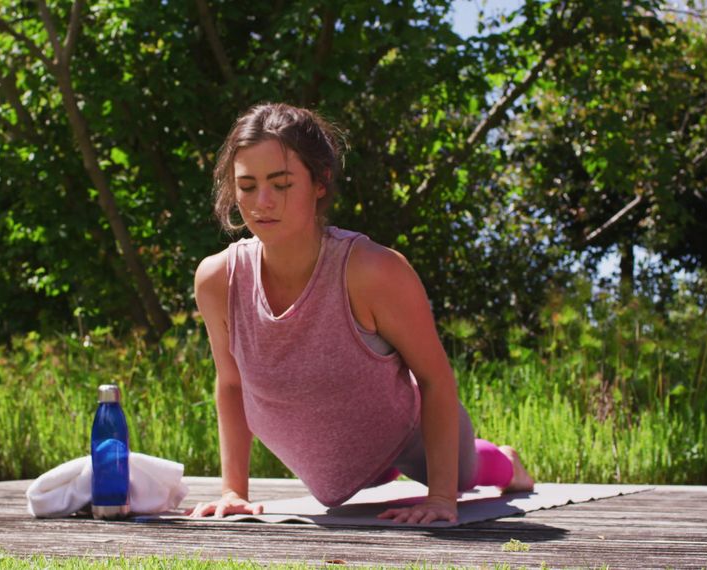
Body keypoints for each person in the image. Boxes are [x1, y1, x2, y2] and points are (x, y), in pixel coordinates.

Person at [188, 103, 534, 525]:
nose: (262, 202)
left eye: (281, 185)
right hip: (334, 467)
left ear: (320, 182)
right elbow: (230, 382)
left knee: (469, 472)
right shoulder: (217, 279)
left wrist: (442, 497)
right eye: (247, 186)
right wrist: (233, 492)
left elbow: (435, 378)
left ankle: (506, 461)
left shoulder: (372, 271)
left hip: (406, 437)